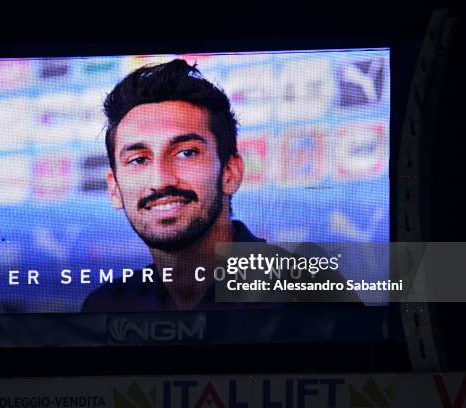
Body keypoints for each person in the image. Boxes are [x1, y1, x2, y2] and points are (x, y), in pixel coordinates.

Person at [82, 59, 359, 312]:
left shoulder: (307, 290)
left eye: (186, 153)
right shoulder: (106, 306)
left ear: (230, 172)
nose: (160, 180)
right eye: (139, 159)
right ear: (115, 189)